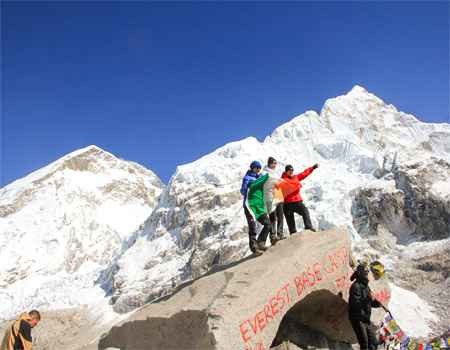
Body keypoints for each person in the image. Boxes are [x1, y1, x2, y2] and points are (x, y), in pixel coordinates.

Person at [348, 264, 388, 350]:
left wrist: (378, 304)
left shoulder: (366, 286)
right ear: (361, 273)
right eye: (365, 273)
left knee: (373, 343)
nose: (367, 274)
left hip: (365, 319)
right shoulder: (356, 286)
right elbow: (356, 303)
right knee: (364, 344)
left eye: (367, 272)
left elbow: (370, 301)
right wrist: (368, 299)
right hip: (358, 319)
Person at [240, 161, 271, 255]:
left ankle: (261, 243)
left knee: (268, 224)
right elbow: (243, 191)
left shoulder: (260, 178)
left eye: (259, 168)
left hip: (259, 206)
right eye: (256, 168)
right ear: (252, 168)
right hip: (249, 206)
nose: (258, 170)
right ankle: (254, 248)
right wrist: (250, 185)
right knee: (252, 227)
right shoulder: (247, 178)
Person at [281, 163, 318, 234]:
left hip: (294, 202)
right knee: (293, 218)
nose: (291, 171)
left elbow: (304, 174)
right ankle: (296, 232)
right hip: (289, 203)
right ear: (286, 171)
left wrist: (312, 168)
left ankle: (307, 227)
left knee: (304, 211)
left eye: (292, 170)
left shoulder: (295, 177)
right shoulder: (283, 180)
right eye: (289, 170)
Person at [263, 156, 285, 245]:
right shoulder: (265, 173)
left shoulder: (274, 173)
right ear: (270, 163)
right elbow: (272, 182)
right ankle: (273, 236)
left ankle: (280, 234)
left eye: (276, 163)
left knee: (280, 215)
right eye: (274, 163)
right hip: (270, 197)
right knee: (272, 217)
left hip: (278, 196)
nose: (275, 165)